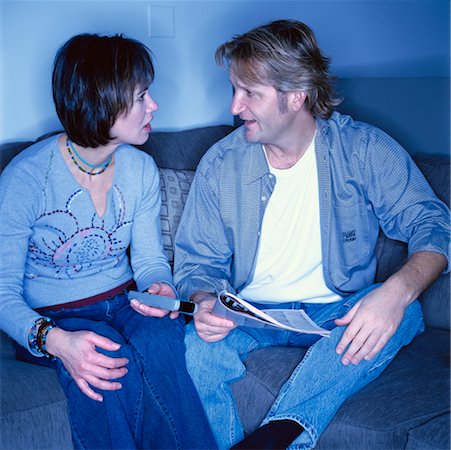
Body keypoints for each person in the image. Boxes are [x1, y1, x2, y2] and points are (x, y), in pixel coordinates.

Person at [173, 19, 450, 450]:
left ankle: (281, 434)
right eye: (234, 90)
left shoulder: (363, 149)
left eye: (251, 93)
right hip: (250, 314)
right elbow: (197, 263)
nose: (234, 107)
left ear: (296, 95)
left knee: (405, 313)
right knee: (195, 347)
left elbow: (433, 225)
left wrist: (396, 293)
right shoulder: (221, 163)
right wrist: (206, 302)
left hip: (334, 314)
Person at [0, 33, 217, 450]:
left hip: (125, 301)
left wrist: (162, 287)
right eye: (141, 96)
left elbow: (151, 259)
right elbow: (4, 291)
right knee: (106, 357)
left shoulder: (141, 169)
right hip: (54, 315)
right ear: (101, 100)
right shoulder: (26, 179)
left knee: (162, 340)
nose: (153, 106)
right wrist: (57, 342)